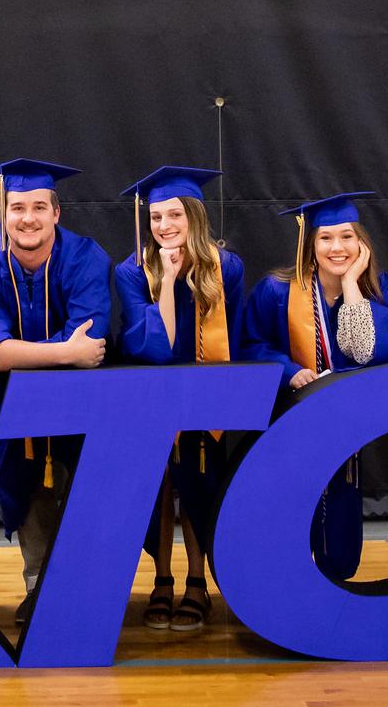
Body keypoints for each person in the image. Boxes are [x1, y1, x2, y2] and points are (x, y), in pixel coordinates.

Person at [0, 159, 111, 630]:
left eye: (39, 207)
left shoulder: (87, 258)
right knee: (28, 491)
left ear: (56, 213)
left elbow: (95, 339)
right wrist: (65, 351)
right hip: (14, 404)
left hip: (83, 404)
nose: (28, 217)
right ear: (3, 213)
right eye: (17, 207)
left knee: (88, 489)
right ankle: (38, 586)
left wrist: (20, 352)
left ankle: (81, 585)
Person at [239, 192, 388, 581]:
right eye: (326, 238)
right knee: (293, 504)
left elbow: (370, 351)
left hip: (347, 425)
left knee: (342, 512)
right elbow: (251, 344)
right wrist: (287, 370)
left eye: (347, 237)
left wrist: (351, 284)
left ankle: (336, 583)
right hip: (291, 419)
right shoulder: (276, 291)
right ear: (309, 245)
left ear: (362, 243)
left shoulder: (382, 289)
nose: (337, 247)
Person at [114, 166, 244, 632]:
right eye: (155, 217)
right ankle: (161, 580)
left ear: (195, 215)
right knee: (159, 489)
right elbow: (153, 346)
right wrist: (168, 282)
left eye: (174, 215)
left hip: (204, 394)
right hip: (151, 393)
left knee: (195, 487)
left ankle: (196, 582)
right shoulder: (131, 271)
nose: (164, 226)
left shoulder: (226, 268)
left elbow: (239, 335)